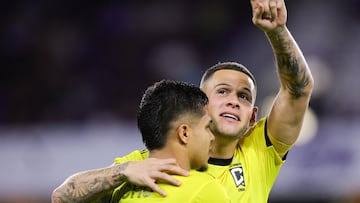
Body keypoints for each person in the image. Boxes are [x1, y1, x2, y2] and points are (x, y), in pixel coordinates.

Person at [52, 0, 314, 202]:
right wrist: (122, 171)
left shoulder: (258, 153)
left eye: (243, 97)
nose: (234, 101)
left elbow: (298, 89)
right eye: (222, 92)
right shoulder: (150, 161)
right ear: (200, 105)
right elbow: (63, 196)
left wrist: (277, 31)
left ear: (253, 117)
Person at [52, 80, 231, 203]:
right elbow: (60, 197)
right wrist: (123, 171)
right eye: (207, 127)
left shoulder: (127, 171)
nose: (212, 137)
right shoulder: (207, 189)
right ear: (184, 133)